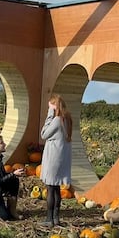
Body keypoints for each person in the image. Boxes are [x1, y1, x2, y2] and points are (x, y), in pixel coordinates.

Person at [40, 94, 73, 227]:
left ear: (54, 108)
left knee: (50, 189)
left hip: (53, 159)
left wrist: (49, 115)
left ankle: (49, 219)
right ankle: (56, 218)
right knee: (56, 188)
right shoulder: (67, 120)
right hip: (62, 159)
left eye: (50, 107)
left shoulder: (56, 120)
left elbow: (43, 134)